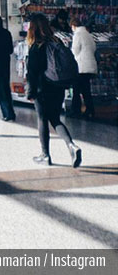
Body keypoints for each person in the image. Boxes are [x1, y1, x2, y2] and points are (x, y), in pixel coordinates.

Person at [26, 14, 81, 167]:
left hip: (42, 88)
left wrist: (30, 92)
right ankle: (71, 145)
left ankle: (45, 155)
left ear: (33, 28)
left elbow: (32, 72)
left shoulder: (36, 46)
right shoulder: (56, 41)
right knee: (55, 118)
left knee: (42, 119)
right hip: (57, 87)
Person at [69, 18, 97, 119]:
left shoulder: (77, 35)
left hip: (80, 66)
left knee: (76, 90)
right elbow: (94, 48)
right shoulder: (88, 34)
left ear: (73, 26)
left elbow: (75, 50)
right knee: (86, 90)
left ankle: (75, 111)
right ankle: (90, 110)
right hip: (90, 66)